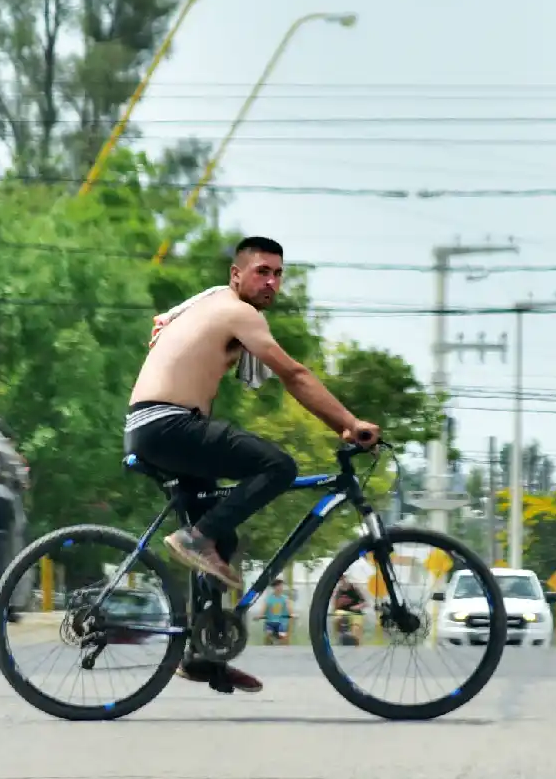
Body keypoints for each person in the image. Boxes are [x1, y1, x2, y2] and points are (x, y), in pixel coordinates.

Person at [123, 236, 381, 692]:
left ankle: (203, 657)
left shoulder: (210, 303)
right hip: (169, 425)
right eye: (262, 271)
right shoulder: (238, 312)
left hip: (157, 428)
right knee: (278, 467)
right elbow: (294, 375)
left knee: (223, 536)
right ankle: (195, 539)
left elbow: (171, 321)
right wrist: (348, 423)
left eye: (278, 274)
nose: (272, 282)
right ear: (236, 275)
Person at [331, 575, 366, 643]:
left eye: (343, 579)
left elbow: (365, 603)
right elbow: (335, 606)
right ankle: (341, 638)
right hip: (343, 612)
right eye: (340, 580)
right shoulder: (338, 591)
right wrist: (338, 604)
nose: (342, 581)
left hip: (355, 613)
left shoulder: (355, 589)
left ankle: (356, 640)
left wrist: (358, 606)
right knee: (338, 618)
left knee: (356, 626)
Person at [259, 578, 294, 644]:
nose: (281, 588)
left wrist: (291, 616)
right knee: (268, 634)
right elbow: (263, 610)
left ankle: (282, 643)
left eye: (281, 586)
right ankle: (270, 643)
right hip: (270, 623)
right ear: (274, 587)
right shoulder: (268, 599)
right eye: (279, 586)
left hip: (282, 624)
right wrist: (259, 615)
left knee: (284, 637)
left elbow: (290, 611)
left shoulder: (285, 599)